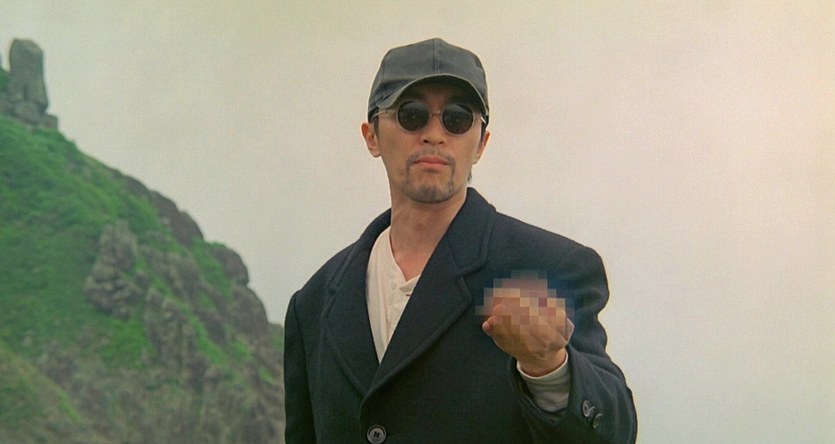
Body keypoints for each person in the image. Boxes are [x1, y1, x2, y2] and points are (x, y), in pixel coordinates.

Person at [284, 38, 637, 443]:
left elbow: (616, 433)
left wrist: (551, 368)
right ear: (372, 136)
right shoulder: (313, 304)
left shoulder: (551, 268)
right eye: (411, 114)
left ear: (482, 143)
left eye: (457, 118)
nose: (434, 134)